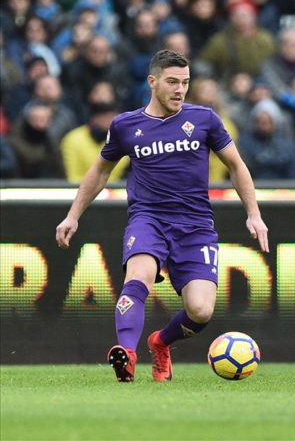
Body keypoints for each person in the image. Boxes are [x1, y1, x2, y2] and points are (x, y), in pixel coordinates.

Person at [55, 50, 269, 383]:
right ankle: (127, 355)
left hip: (195, 225)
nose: (180, 89)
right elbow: (99, 171)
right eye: (172, 82)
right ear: (152, 82)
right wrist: (73, 216)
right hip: (148, 218)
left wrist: (254, 214)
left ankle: (160, 341)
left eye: (185, 82)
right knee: (137, 276)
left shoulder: (205, 119)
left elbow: (237, 166)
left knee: (201, 311)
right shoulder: (126, 126)